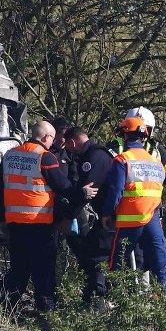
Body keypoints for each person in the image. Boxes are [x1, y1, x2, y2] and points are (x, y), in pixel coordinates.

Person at [0, 120, 97, 314]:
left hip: (15, 224)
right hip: (39, 224)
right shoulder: (44, 156)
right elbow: (62, 186)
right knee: (44, 271)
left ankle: (7, 309)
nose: (53, 143)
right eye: (52, 138)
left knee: (19, 269)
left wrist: (1, 219)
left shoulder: (10, 155)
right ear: (46, 137)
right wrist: (82, 193)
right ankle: (46, 314)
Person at [98, 116, 166, 293]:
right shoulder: (155, 161)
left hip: (129, 220)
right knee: (160, 257)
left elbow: (116, 191)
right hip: (153, 218)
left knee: (118, 260)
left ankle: (115, 298)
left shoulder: (123, 160)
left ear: (124, 135)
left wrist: (107, 214)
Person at [62, 126, 114, 305]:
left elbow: (88, 192)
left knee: (94, 255)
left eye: (69, 147)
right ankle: (94, 296)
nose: (70, 152)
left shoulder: (94, 158)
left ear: (72, 142)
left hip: (112, 217)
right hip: (111, 215)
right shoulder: (96, 154)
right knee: (91, 251)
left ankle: (98, 299)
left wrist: (69, 216)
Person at [110, 107, 166, 206]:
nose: (140, 131)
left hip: (151, 211)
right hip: (122, 210)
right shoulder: (114, 149)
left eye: (145, 128)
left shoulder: (157, 152)